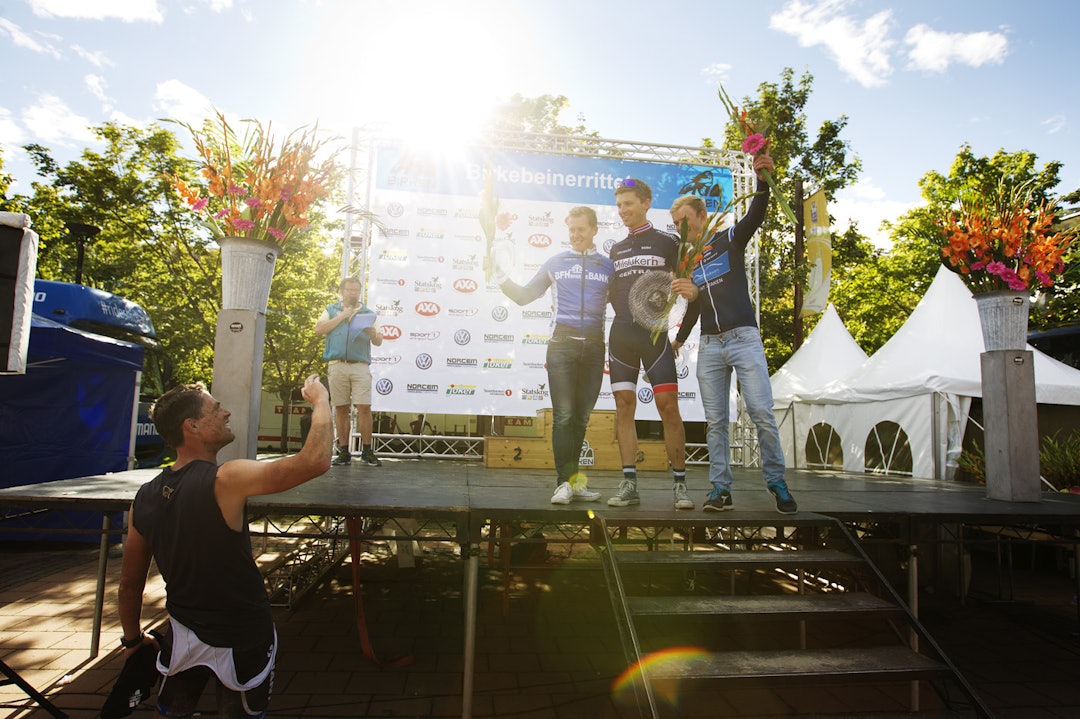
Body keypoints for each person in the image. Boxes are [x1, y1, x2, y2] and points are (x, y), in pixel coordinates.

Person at [117, 374, 333, 718]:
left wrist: (132, 640)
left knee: (173, 712)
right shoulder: (226, 479)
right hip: (243, 633)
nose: (226, 412)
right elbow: (315, 461)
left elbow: (129, 584)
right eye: (216, 409)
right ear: (192, 426)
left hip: (183, 632)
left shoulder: (143, 498)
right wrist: (321, 401)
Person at [670, 151, 798, 514]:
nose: (681, 229)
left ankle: (777, 483)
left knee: (761, 413)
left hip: (743, 337)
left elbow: (756, 215)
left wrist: (762, 180)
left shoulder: (729, 238)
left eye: (685, 221)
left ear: (701, 216)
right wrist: (679, 339)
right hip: (710, 344)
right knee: (715, 422)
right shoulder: (688, 261)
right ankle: (720, 489)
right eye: (676, 224)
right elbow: (695, 306)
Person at [498, 206, 613, 505]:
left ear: (594, 230)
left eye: (581, 229)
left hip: (594, 348)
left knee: (581, 418)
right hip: (562, 346)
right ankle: (563, 483)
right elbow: (524, 296)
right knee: (563, 416)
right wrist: (499, 276)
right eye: (571, 230)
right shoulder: (556, 262)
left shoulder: (607, 266)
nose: (575, 235)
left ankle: (575, 483)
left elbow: (626, 305)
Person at [606, 179, 693, 510]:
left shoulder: (668, 242)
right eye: (619, 205)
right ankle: (629, 483)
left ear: (646, 203)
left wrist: (678, 331)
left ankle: (680, 485)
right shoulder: (615, 249)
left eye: (628, 203)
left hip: (654, 335)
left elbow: (687, 284)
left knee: (668, 406)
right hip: (622, 335)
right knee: (624, 405)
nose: (623, 210)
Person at [314, 276, 384, 467]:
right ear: (341, 291)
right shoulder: (331, 310)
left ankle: (367, 451)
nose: (353, 293)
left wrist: (371, 332)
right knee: (341, 408)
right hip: (337, 364)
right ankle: (344, 451)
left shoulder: (368, 313)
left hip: (360, 365)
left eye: (356, 290)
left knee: (364, 407)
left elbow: (379, 340)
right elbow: (319, 330)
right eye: (349, 289)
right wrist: (342, 316)